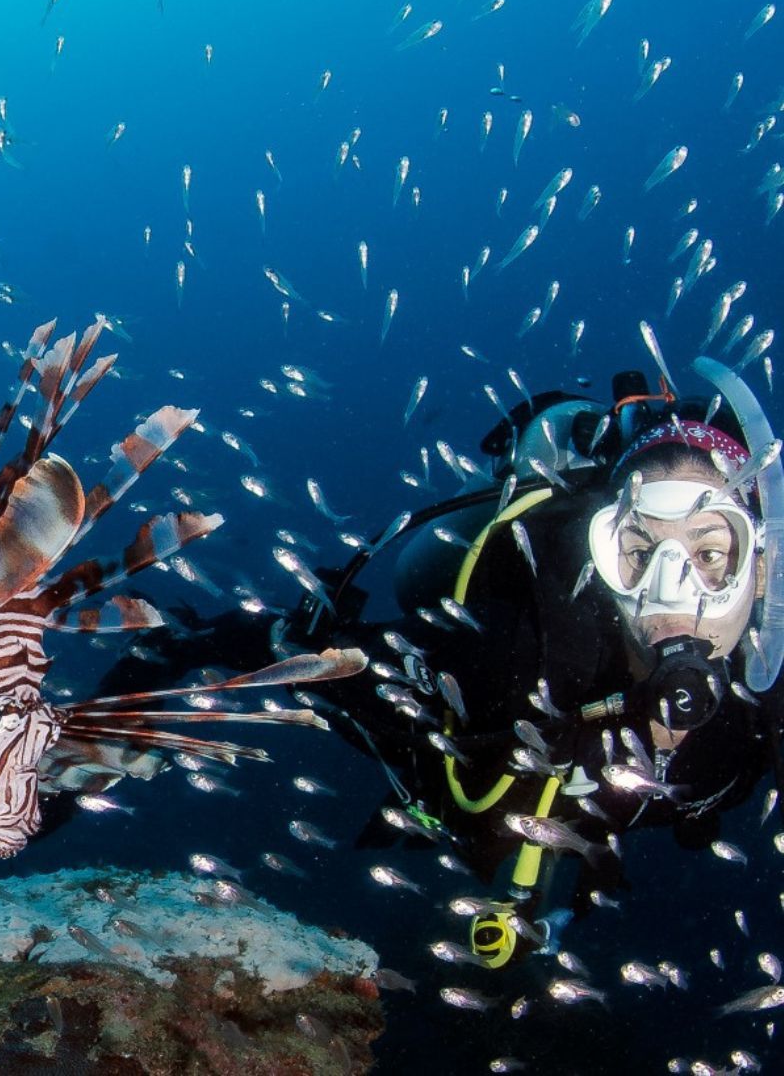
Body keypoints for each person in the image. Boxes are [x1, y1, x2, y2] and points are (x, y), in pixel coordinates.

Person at [87, 359, 784, 969]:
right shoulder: (517, 647)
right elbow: (375, 687)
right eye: (638, 549)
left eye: (711, 551)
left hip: (592, 814)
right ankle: (171, 642)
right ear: (603, 559)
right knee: (317, 665)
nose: (671, 590)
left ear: (764, 562)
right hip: (454, 747)